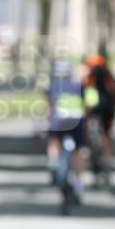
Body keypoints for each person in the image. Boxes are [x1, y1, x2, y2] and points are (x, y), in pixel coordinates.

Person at [46, 60, 87, 199]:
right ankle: (79, 183)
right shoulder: (79, 85)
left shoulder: (54, 85)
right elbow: (85, 104)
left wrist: (49, 120)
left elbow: (51, 106)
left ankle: (53, 163)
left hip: (59, 121)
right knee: (78, 152)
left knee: (54, 141)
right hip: (77, 121)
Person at [83, 54, 115, 179]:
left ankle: (93, 154)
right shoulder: (109, 76)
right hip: (107, 109)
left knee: (91, 132)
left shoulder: (89, 77)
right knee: (107, 136)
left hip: (94, 109)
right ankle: (107, 162)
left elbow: (85, 93)